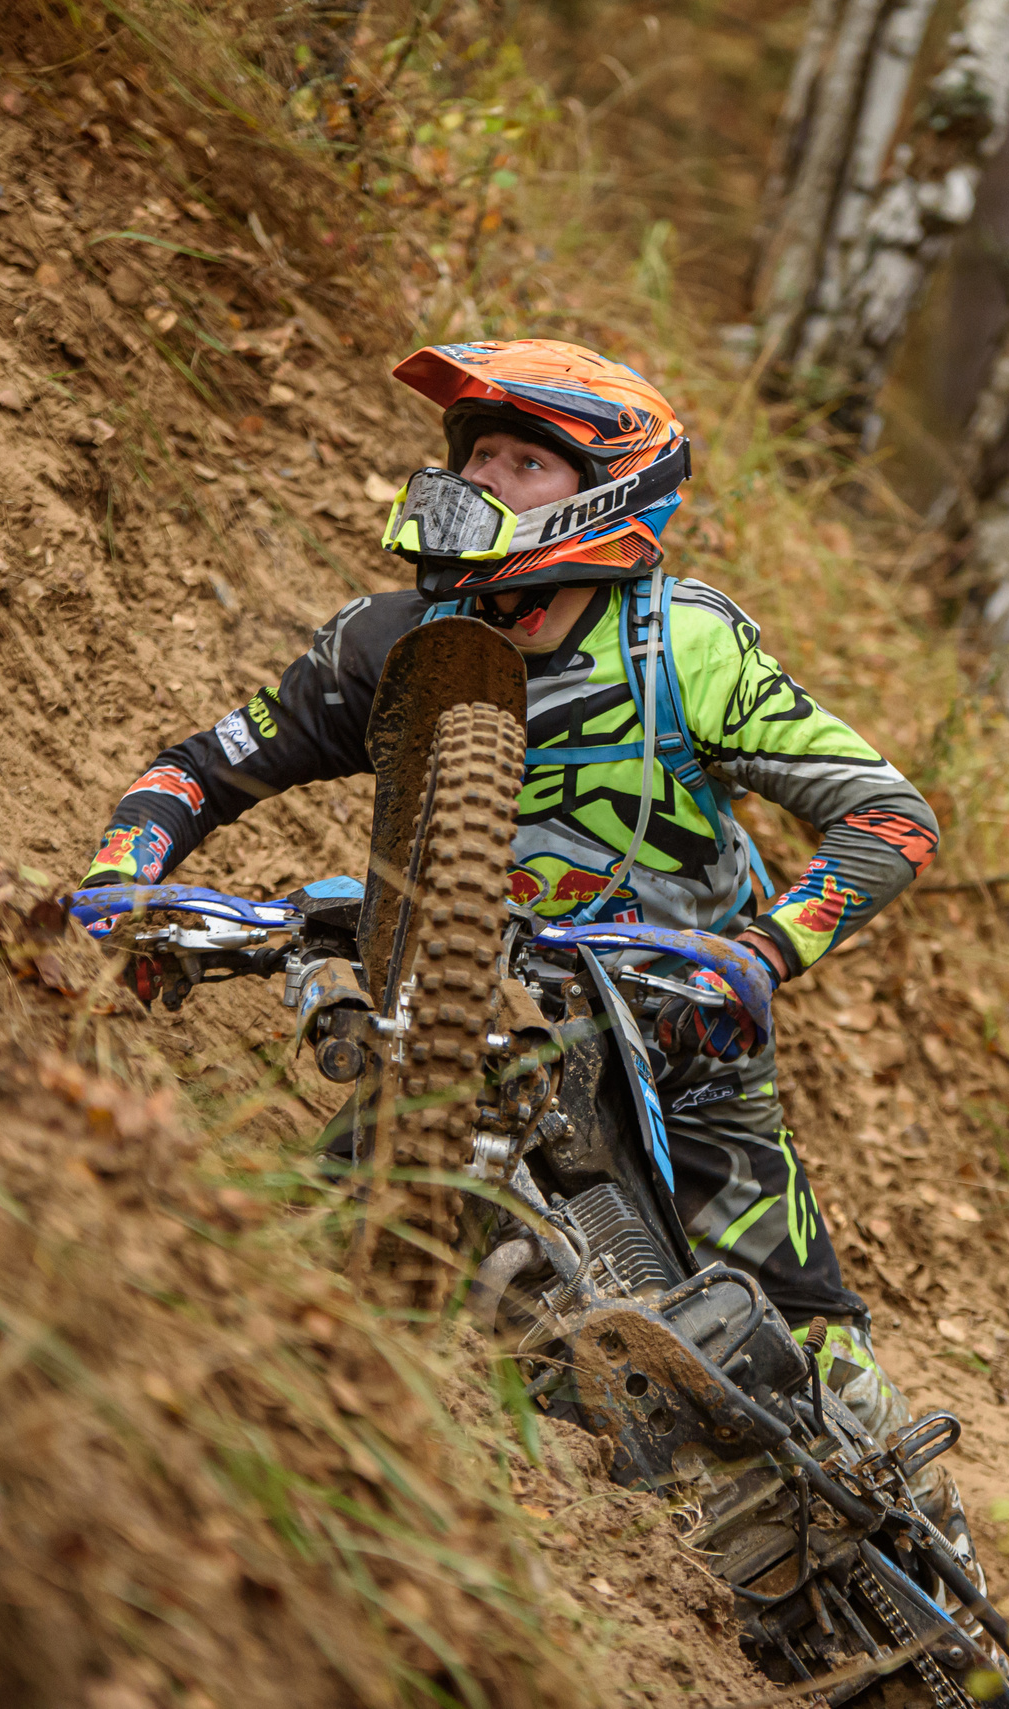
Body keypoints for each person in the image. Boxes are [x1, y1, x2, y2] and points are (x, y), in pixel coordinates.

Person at [75, 339, 945, 1479]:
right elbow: (202, 766)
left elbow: (889, 816)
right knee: (305, 1245)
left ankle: (929, 1557)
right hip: (455, 1015)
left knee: (822, 1360)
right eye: (475, 452)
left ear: (609, 494)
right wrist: (121, 871)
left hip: (682, 1033)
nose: (482, 477)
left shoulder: (683, 645)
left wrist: (759, 955)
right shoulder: (387, 640)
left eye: (524, 460)